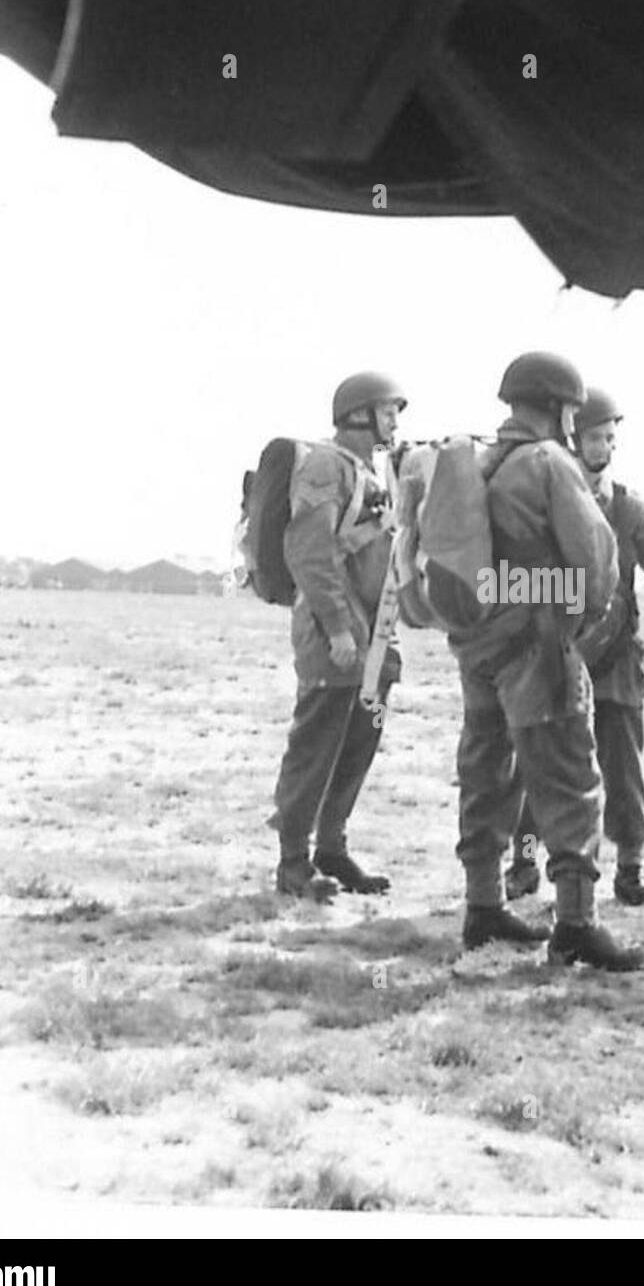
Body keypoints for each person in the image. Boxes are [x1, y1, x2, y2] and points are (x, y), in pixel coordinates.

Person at [449, 353, 644, 970]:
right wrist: (572, 622)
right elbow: (594, 563)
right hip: (537, 651)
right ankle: (577, 922)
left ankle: (483, 907)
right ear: (561, 407)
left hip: (479, 645)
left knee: (487, 773)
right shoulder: (549, 463)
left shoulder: (481, 464)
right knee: (568, 779)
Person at [506, 386, 644, 907]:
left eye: (609, 437)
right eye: (592, 437)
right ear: (572, 439)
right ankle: (522, 862)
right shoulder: (541, 499)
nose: (602, 447)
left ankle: (630, 868)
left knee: (623, 769)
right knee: (537, 767)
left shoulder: (630, 509)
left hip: (616, 662)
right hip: (554, 656)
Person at [270, 371, 406, 902]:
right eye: (387, 410)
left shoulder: (375, 470)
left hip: (375, 635)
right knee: (316, 745)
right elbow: (308, 549)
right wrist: (337, 627)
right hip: (336, 634)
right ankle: (292, 861)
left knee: (359, 740)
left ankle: (332, 846)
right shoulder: (325, 466)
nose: (394, 421)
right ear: (359, 414)